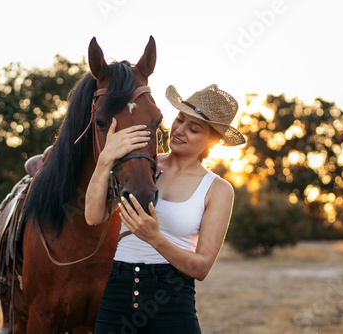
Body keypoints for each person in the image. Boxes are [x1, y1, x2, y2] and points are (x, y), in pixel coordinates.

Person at [85, 83, 246, 333]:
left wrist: (154, 238)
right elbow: (93, 216)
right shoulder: (142, 166)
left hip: (171, 302)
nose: (179, 131)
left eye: (193, 129)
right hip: (116, 295)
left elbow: (201, 267)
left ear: (212, 141)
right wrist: (106, 159)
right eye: (179, 119)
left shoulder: (217, 189)